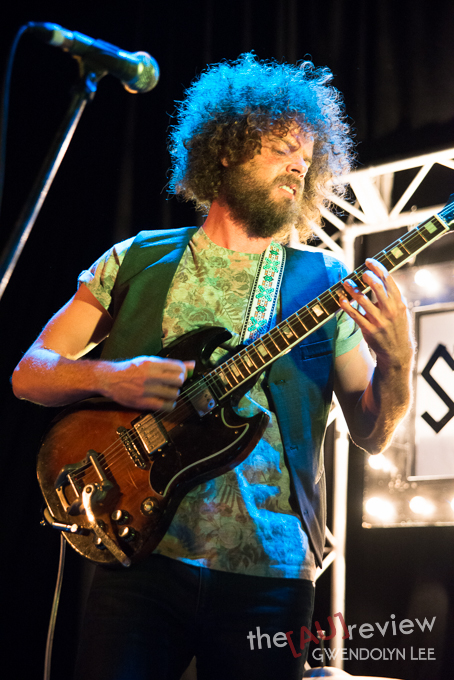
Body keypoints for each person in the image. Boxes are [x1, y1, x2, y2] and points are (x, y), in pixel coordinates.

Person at [12, 54, 414, 680]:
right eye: (282, 149)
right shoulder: (135, 258)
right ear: (224, 150)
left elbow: (373, 432)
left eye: (307, 159)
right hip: (142, 556)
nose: (298, 166)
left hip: (273, 575)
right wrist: (108, 377)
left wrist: (398, 361)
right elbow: (30, 372)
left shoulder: (325, 279)